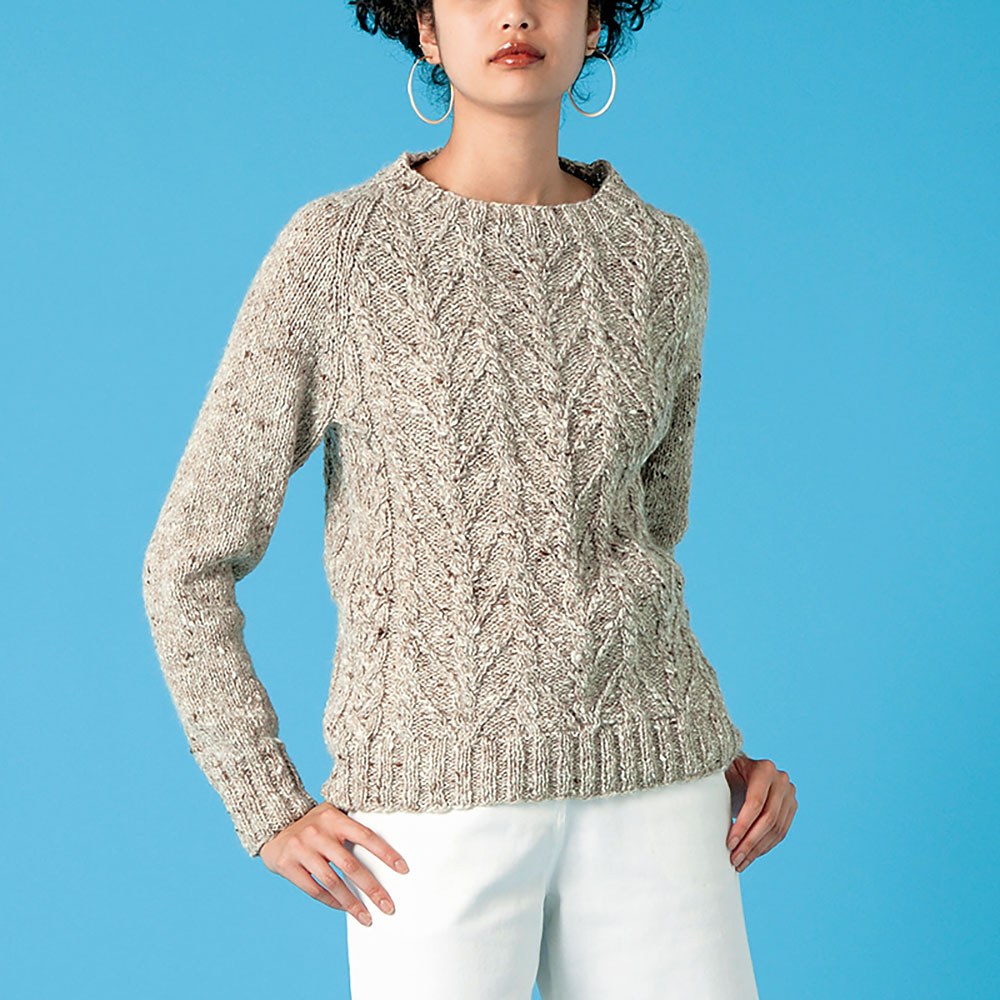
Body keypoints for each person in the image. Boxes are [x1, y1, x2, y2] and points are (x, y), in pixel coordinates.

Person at [141, 0, 798, 996]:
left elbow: (640, 541)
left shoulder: (663, 259)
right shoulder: (338, 251)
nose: (517, 12)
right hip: (430, 811)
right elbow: (186, 560)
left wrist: (724, 751)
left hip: (664, 794)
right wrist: (266, 802)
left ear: (596, 22)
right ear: (424, 27)